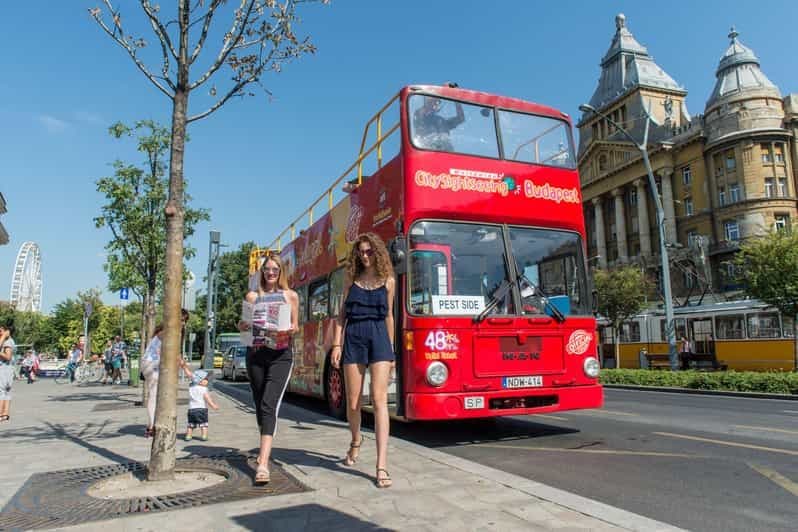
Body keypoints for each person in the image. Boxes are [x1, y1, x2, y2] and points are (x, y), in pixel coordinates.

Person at [331, 233, 396, 488]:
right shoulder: (351, 280)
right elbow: (340, 316)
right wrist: (337, 344)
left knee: (379, 400)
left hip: (379, 337)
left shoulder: (388, 282)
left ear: (377, 252)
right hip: (354, 337)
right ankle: (356, 441)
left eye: (369, 251)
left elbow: (389, 316)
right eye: (361, 252)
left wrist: (391, 352)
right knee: (354, 402)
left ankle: (381, 465)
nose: (365, 255)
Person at [238, 253, 299, 485]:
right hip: (255, 354)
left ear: (281, 272)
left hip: (280, 355)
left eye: (275, 269)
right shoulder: (252, 297)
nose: (271, 273)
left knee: (268, 404)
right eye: (267, 269)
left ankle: (262, 463)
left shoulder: (290, 296)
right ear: (262, 272)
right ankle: (266, 436)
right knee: (259, 401)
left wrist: (287, 330)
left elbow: (296, 326)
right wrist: (244, 325)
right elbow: (244, 326)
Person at [185, 369, 219, 441]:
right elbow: (207, 399)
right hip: (201, 409)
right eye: (206, 379)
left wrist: (184, 367)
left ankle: (188, 436)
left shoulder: (191, 388)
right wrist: (213, 405)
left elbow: (190, 375)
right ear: (200, 381)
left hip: (191, 410)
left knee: (191, 424)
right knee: (203, 424)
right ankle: (204, 436)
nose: (207, 381)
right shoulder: (203, 389)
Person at [0, 324, 17, 422]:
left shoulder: (8, 342)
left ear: (7, 331)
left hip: (4, 369)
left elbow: (8, 357)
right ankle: (4, 414)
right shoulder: (7, 341)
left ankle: (1, 414)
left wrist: (3, 336)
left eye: (1, 330)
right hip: (7, 369)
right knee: (6, 392)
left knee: (1, 391)